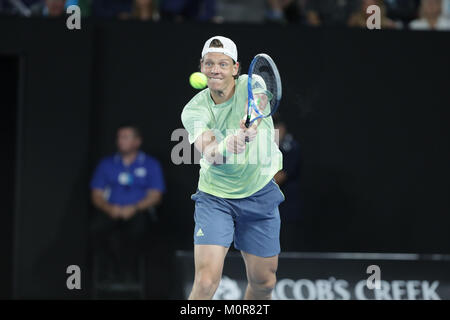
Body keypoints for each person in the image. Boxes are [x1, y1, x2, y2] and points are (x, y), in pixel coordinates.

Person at [181, 36, 284, 300]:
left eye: (223, 64)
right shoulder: (193, 110)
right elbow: (210, 151)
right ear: (202, 67)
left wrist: (252, 127)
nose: (215, 69)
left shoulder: (254, 84)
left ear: (235, 68)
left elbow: (260, 103)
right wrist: (231, 143)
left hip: (259, 192)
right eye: (210, 63)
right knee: (205, 282)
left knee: (264, 283)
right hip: (216, 198)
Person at [90, 124, 165, 282]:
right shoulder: (107, 164)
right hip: (111, 211)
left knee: (138, 232)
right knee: (95, 230)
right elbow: (96, 194)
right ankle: (110, 271)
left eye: (125, 137)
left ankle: (128, 273)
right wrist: (110, 208)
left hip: (138, 213)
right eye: (119, 137)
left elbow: (156, 195)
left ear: (137, 141)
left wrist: (134, 207)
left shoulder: (150, 164)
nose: (120, 141)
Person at [273, 117, 304, 251]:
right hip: (268, 209)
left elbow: (280, 177)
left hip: (287, 208)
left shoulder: (291, 147)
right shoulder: (264, 147)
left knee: (286, 246)